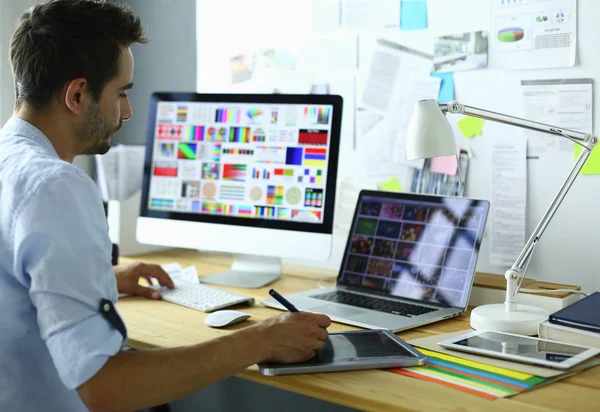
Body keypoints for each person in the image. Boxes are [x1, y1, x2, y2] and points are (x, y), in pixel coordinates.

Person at [0, 1, 331, 410]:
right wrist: (260, 339)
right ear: (78, 94)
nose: (128, 111)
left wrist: (103, 277)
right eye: (121, 93)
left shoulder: (9, 161)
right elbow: (105, 387)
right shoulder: (56, 186)